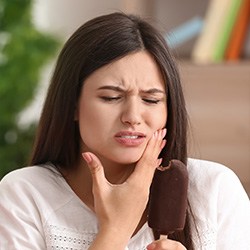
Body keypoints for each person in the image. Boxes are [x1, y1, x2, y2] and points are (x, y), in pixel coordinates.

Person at [0, 12, 249, 250]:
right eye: (111, 97)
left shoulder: (214, 190)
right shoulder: (24, 195)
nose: (132, 117)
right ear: (72, 105)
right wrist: (115, 230)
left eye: (151, 100)